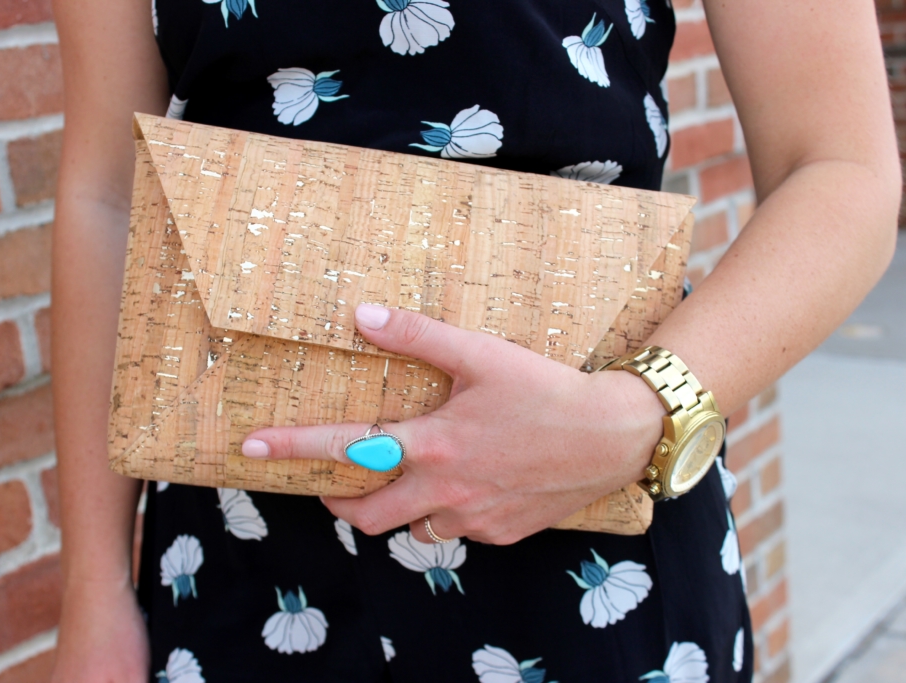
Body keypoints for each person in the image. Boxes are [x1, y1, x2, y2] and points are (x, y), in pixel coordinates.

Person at [48, 1, 900, 681]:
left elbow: (839, 168)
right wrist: (95, 599)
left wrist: (639, 410)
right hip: (240, 548)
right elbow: (107, 200)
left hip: (581, 523)